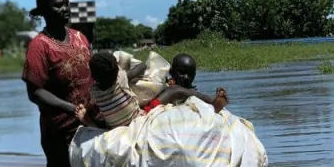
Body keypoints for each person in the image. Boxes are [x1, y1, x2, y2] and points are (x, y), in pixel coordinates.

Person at [22, 0, 103, 167]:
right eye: (59, 6)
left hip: (89, 124)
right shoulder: (39, 46)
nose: (66, 9)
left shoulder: (80, 36)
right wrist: (72, 109)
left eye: (67, 4)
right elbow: (35, 93)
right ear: (44, 11)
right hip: (60, 133)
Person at [76, 52, 228, 129]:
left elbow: (92, 104)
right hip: (138, 118)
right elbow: (141, 68)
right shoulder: (121, 80)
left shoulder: (94, 91)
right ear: (172, 72)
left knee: (107, 119)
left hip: (113, 126)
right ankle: (212, 103)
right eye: (181, 72)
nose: (186, 77)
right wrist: (146, 64)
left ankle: (89, 122)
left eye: (190, 73)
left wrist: (86, 109)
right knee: (175, 91)